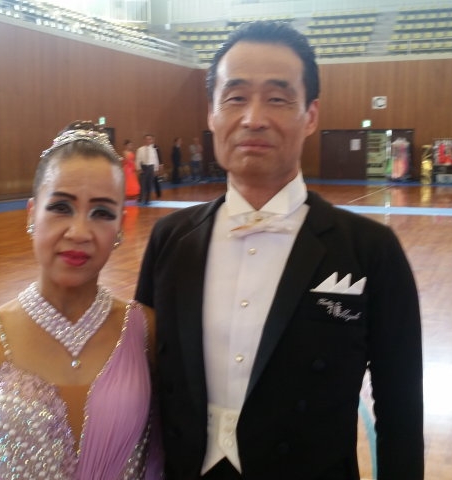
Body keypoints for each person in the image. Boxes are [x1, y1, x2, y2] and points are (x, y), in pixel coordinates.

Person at [136, 21, 423, 480]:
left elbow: (400, 410)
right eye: (235, 97)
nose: (253, 118)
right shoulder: (169, 240)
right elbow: (145, 385)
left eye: (277, 98)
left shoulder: (370, 251)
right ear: (211, 113)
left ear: (310, 115)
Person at [0, 121, 163, 479]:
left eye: (102, 213)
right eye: (61, 207)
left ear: (120, 227)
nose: (79, 232)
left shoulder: (146, 330)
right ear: (32, 214)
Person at [135, 134, 160, 205]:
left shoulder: (153, 150)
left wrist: (156, 169)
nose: (148, 140)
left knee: (149, 184)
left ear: (151, 140)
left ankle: (147, 199)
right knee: (142, 184)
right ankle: (141, 199)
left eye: (149, 139)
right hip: (143, 167)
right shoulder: (140, 149)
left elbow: (156, 159)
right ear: (144, 140)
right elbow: (138, 160)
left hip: (151, 168)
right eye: (146, 139)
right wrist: (139, 168)